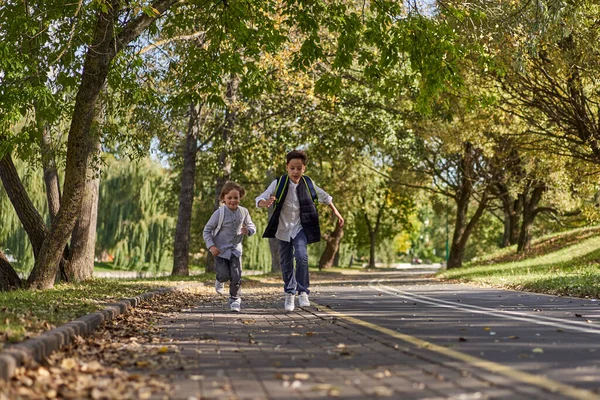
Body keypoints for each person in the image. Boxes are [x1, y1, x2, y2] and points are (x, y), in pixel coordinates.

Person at [256, 150, 344, 312]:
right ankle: (289, 293)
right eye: (292, 168)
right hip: (282, 229)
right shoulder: (279, 183)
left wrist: (336, 212)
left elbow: (326, 197)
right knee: (286, 262)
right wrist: (266, 202)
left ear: (304, 169)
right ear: (287, 168)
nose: (295, 171)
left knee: (302, 256)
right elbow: (259, 199)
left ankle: (303, 291)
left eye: (299, 168)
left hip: (300, 227)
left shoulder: (309, 183)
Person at [203, 181, 256, 312]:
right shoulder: (219, 213)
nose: (233, 201)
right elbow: (207, 230)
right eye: (229, 198)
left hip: (236, 251)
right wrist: (211, 246)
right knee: (223, 275)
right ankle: (219, 279)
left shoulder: (243, 212)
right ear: (224, 199)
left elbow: (252, 226)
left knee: (236, 277)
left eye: (236, 198)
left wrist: (248, 230)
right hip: (220, 251)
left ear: (240, 197)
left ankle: (235, 300)